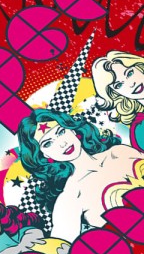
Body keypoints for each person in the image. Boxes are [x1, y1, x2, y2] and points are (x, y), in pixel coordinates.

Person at [17, 108, 141, 243]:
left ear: (73, 130)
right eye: (48, 143)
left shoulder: (119, 152)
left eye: (61, 132)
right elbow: (60, 248)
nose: (62, 144)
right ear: (44, 155)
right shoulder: (71, 197)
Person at [92, 51, 144, 151]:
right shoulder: (140, 129)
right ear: (115, 94)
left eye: (130, 73)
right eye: (119, 85)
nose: (131, 84)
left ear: (139, 67)